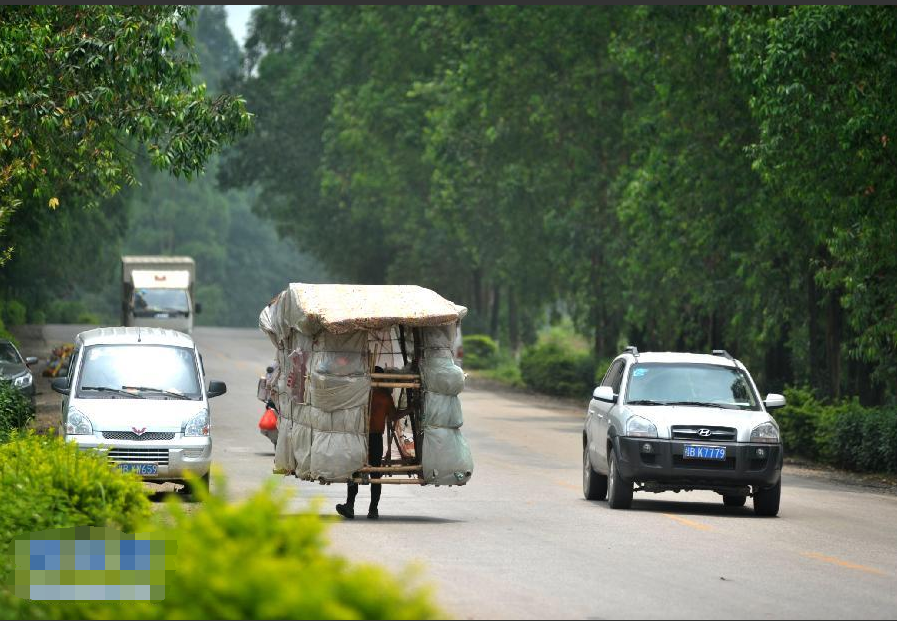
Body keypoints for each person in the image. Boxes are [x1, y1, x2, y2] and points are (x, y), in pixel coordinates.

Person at [336, 366, 405, 520]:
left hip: (372, 437)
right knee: (358, 469)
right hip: (360, 435)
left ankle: (371, 508)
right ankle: (352, 506)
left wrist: (409, 409)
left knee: (373, 472)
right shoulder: (362, 394)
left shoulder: (381, 396)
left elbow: (392, 416)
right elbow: (393, 416)